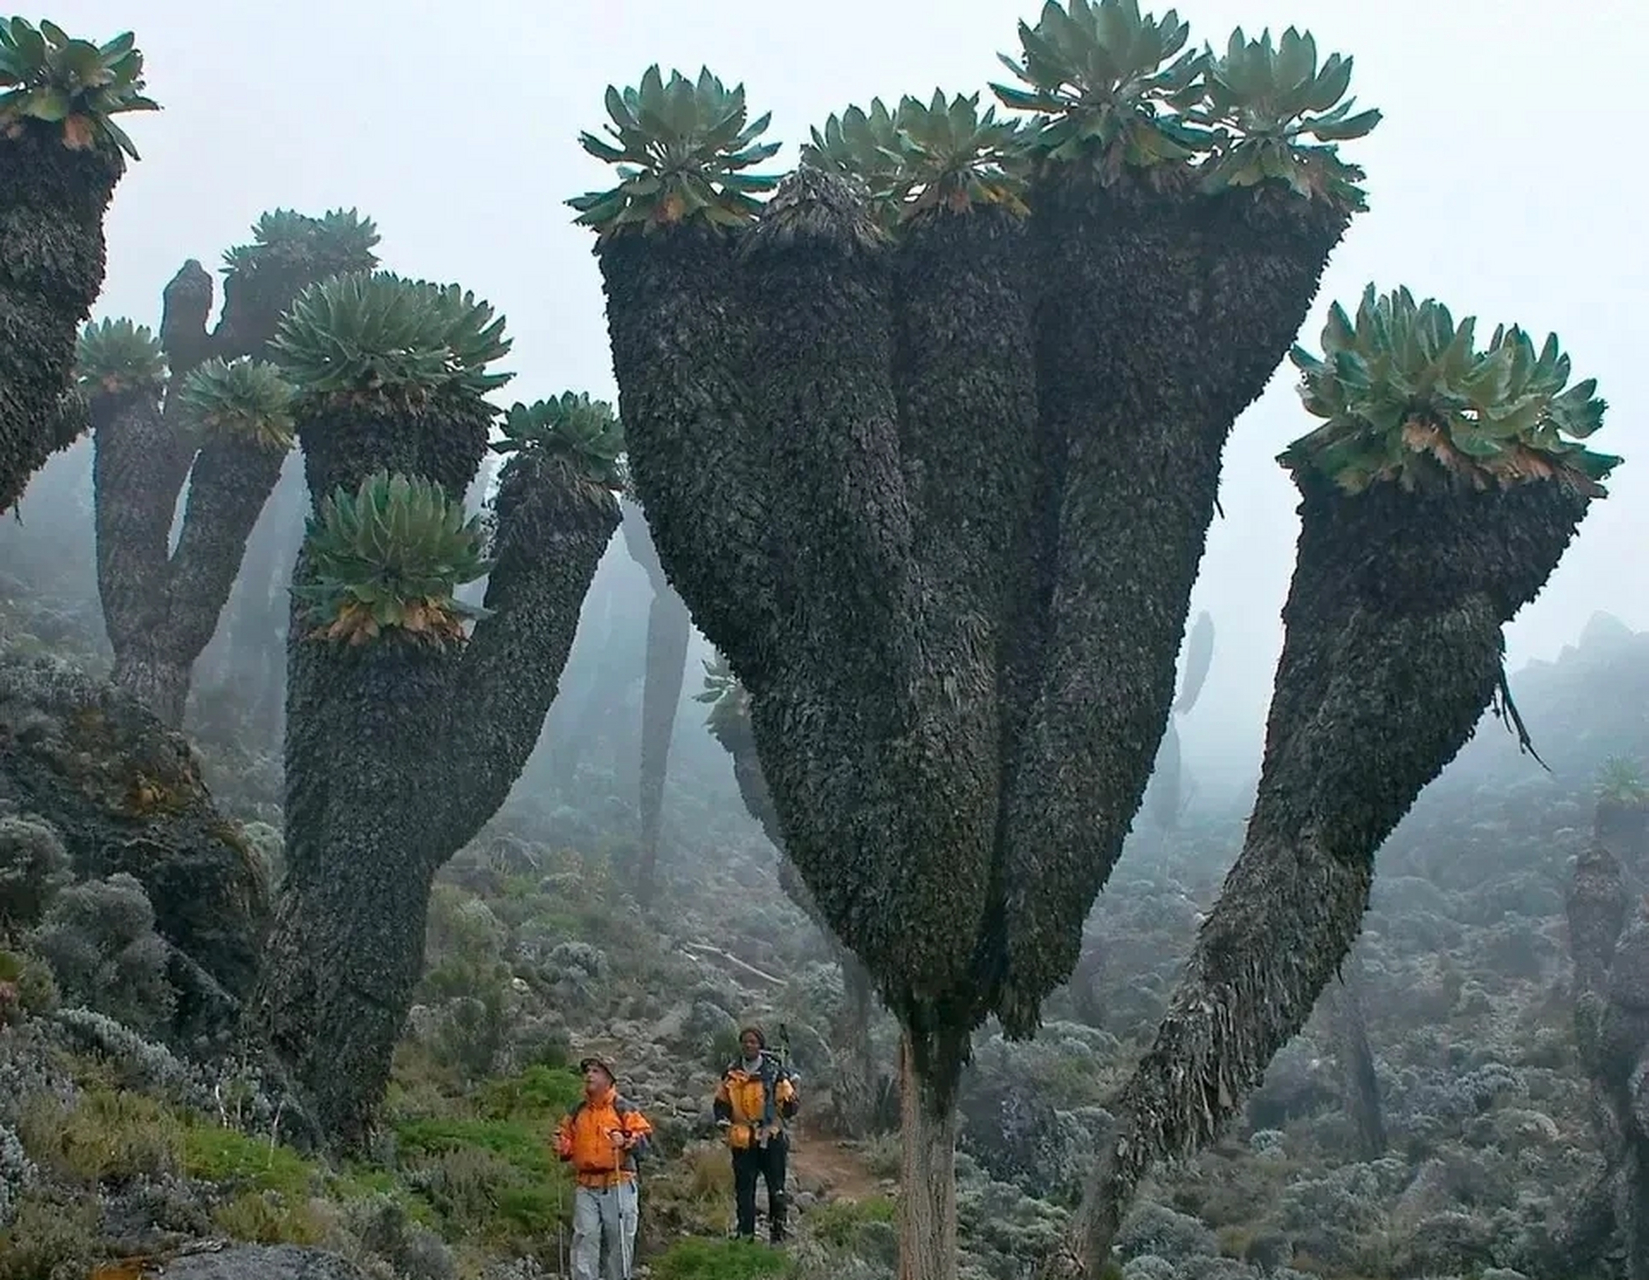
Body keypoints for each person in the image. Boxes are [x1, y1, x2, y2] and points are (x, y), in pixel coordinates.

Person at [555, 1055, 653, 1280]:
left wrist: (626, 1140)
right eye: (587, 1071)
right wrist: (562, 1145)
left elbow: (645, 1138)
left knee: (619, 1240)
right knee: (585, 1236)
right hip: (585, 1185)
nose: (589, 1075)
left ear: (609, 1078)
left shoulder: (623, 1108)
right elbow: (566, 1137)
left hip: (618, 1182)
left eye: (596, 1071)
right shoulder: (577, 1111)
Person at [713, 1024, 799, 1244]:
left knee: (776, 1188)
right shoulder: (732, 1073)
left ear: (760, 1045)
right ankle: (745, 1234)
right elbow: (721, 1102)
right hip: (743, 1139)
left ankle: (778, 1236)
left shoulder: (774, 1072)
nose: (749, 1045)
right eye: (745, 1041)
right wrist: (723, 1120)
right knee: (744, 1189)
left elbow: (789, 1109)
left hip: (771, 1137)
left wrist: (789, 1100)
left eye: (753, 1041)